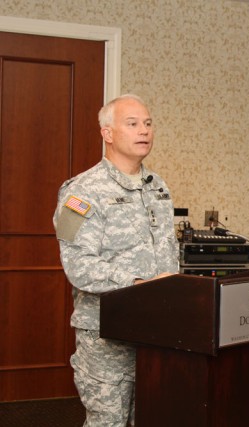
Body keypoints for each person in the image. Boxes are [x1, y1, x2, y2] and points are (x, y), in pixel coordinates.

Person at [53, 94, 179, 426]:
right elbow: (78, 266)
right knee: (108, 422)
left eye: (148, 124)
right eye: (132, 124)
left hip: (157, 331)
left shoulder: (159, 188)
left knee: (153, 415)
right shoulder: (81, 192)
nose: (144, 131)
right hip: (106, 334)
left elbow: (168, 254)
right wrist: (140, 285)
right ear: (107, 133)